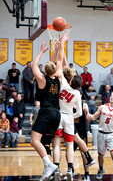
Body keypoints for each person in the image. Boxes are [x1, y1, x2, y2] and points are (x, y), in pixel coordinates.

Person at [30, 34, 69, 181]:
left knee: (34, 141)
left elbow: (34, 66)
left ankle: (49, 164)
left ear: (45, 71)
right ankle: (50, 171)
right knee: (46, 143)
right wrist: (60, 46)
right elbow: (59, 60)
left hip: (46, 112)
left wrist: (41, 52)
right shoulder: (58, 76)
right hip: (56, 114)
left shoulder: (42, 80)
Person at [85, 91, 113, 181]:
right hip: (101, 133)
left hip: (112, 134)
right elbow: (93, 117)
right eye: (111, 95)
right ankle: (100, 169)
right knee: (100, 155)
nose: (111, 97)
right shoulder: (102, 107)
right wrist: (87, 113)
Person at [53, 69, 83, 181]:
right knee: (70, 145)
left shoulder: (64, 85)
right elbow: (79, 113)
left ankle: (56, 168)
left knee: (56, 144)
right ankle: (70, 169)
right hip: (69, 118)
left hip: (59, 116)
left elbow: (61, 70)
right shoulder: (77, 95)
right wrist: (71, 116)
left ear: (71, 81)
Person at [74, 88, 95, 181]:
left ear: (81, 95)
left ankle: (87, 174)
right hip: (72, 131)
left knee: (83, 154)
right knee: (68, 152)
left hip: (82, 132)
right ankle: (71, 171)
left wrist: (86, 112)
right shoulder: (69, 104)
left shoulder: (84, 104)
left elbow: (88, 120)